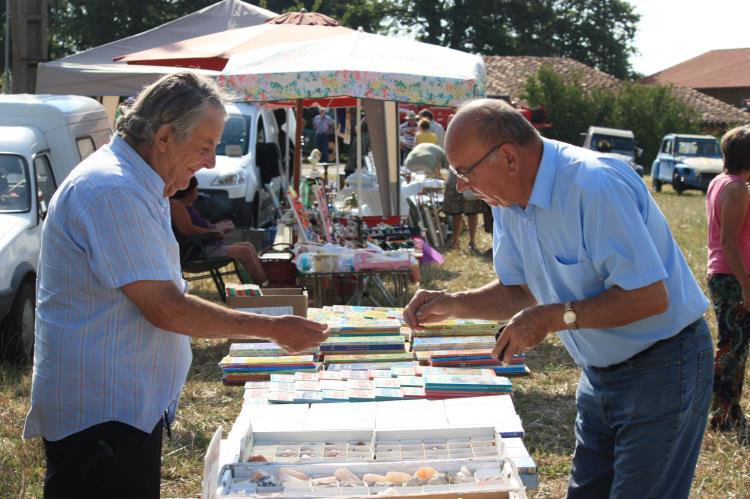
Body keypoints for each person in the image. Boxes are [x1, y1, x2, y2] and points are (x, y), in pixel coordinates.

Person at [23, 71, 327, 498]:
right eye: (205, 146)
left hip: (117, 410)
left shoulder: (135, 185)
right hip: (102, 416)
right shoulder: (114, 190)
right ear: (164, 136)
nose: (210, 162)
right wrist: (274, 329)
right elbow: (166, 306)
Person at [404, 98, 712, 498]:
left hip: (664, 364)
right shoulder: (508, 201)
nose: (462, 187)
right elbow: (519, 290)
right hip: (601, 373)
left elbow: (649, 297)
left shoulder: (594, 186)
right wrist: (453, 302)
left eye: (465, 172)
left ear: (509, 158)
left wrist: (552, 317)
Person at [705, 124, 750, 433]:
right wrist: (746, 286)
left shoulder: (722, 181)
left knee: (733, 346)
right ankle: (723, 413)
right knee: (733, 348)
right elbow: (729, 242)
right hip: (733, 277)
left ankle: (727, 409)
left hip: (726, 275)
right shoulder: (736, 188)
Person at [171, 176, 268, 285]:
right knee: (245, 251)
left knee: (248, 246)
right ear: (188, 192)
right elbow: (187, 230)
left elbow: (200, 227)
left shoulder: (187, 205)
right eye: (196, 189)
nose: (197, 192)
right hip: (197, 251)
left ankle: (267, 281)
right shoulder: (176, 205)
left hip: (206, 246)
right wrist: (213, 232)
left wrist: (219, 226)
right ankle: (264, 286)